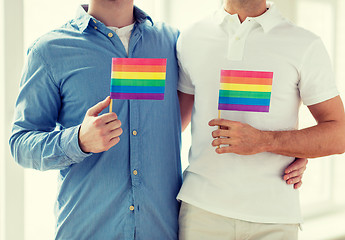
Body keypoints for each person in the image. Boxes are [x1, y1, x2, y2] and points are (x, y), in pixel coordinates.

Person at [9, 0, 306, 239]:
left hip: (162, 229)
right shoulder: (51, 50)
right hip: (87, 228)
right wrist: (78, 141)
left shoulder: (172, 43)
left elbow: (221, 102)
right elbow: (21, 143)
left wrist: (286, 149)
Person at [177, 0, 345, 239]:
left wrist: (266, 141)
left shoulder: (304, 43)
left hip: (274, 220)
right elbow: (171, 126)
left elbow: (339, 135)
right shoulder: (191, 37)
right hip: (202, 213)